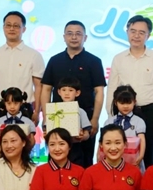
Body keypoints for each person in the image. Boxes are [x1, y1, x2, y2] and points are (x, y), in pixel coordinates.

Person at [106, 15, 153, 168]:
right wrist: (111, 115)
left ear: (148, 35)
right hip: (123, 113)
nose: (136, 35)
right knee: (121, 153)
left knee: (148, 154)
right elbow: (112, 88)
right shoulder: (118, 58)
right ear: (127, 32)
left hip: (149, 112)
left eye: (142, 32)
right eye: (133, 31)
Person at [40, 21, 106, 167]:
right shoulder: (55, 60)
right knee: (56, 159)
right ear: (64, 37)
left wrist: (95, 119)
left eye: (78, 34)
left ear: (85, 37)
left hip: (85, 119)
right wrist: (46, 118)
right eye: (70, 34)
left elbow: (99, 91)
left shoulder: (94, 61)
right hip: (57, 118)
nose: (74, 37)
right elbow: (46, 89)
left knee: (84, 161)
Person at [0, 11, 45, 125]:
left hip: (23, 107)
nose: (12, 29)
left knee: (24, 136)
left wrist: (37, 111)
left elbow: (38, 86)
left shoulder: (33, 55)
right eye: (8, 25)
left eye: (16, 26)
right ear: (3, 28)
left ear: (24, 29)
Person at [102, 85, 146, 169]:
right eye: (122, 103)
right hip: (112, 158)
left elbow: (142, 140)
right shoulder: (109, 122)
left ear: (134, 102)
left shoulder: (139, 121)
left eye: (128, 103)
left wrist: (141, 155)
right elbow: (102, 141)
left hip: (133, 159)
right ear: (115, 103)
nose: (125, 106)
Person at [52, 76, 92, 166]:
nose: (67, 93)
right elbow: (47, 129)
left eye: (70, 90)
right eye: (64, 90)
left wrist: (82, 136)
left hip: (75, 147)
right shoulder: (53, 110)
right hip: (56, 148)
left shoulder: (81, 111)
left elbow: (87, 133)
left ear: (77, 93)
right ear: (59, 92)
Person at [0, 87, 37, 153]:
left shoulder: (28, 122)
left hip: (22, 156)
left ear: (21, 103)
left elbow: (32, 141)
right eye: (9, 103)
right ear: (5, 103)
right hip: (2, 155)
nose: (12, 107)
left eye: (15, 103)